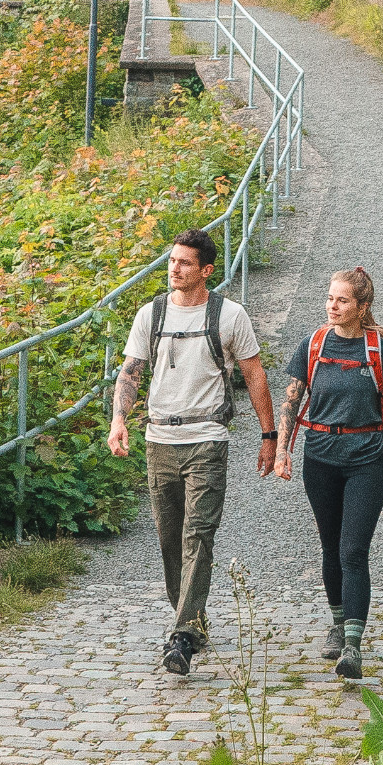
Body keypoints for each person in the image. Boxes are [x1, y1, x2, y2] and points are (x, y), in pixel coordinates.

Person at [103, 233, 267, 676]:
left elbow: (253, 373)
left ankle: (181, 639)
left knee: (199, 533)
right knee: (169, 538)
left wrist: (269, 434)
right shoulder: (151, 314)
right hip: (160, 440)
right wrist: (119, 420)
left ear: (206, 270)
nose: (175, 269)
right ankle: (192, 619)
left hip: (208, 438)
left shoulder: (229, 315)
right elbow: (132, 372)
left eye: (185, 264)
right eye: (172, 261)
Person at [266, 264, 383, 679]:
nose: (332, 306)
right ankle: (338, 624)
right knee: (330, 546)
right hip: (319, 459)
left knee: (353, 550)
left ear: (361, 307)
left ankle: (352, 646)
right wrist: (282, 451)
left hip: (366, 460)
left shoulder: (380, 351)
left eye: (342, 300)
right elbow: (290, 402)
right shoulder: (313, 345)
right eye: (329, 298)